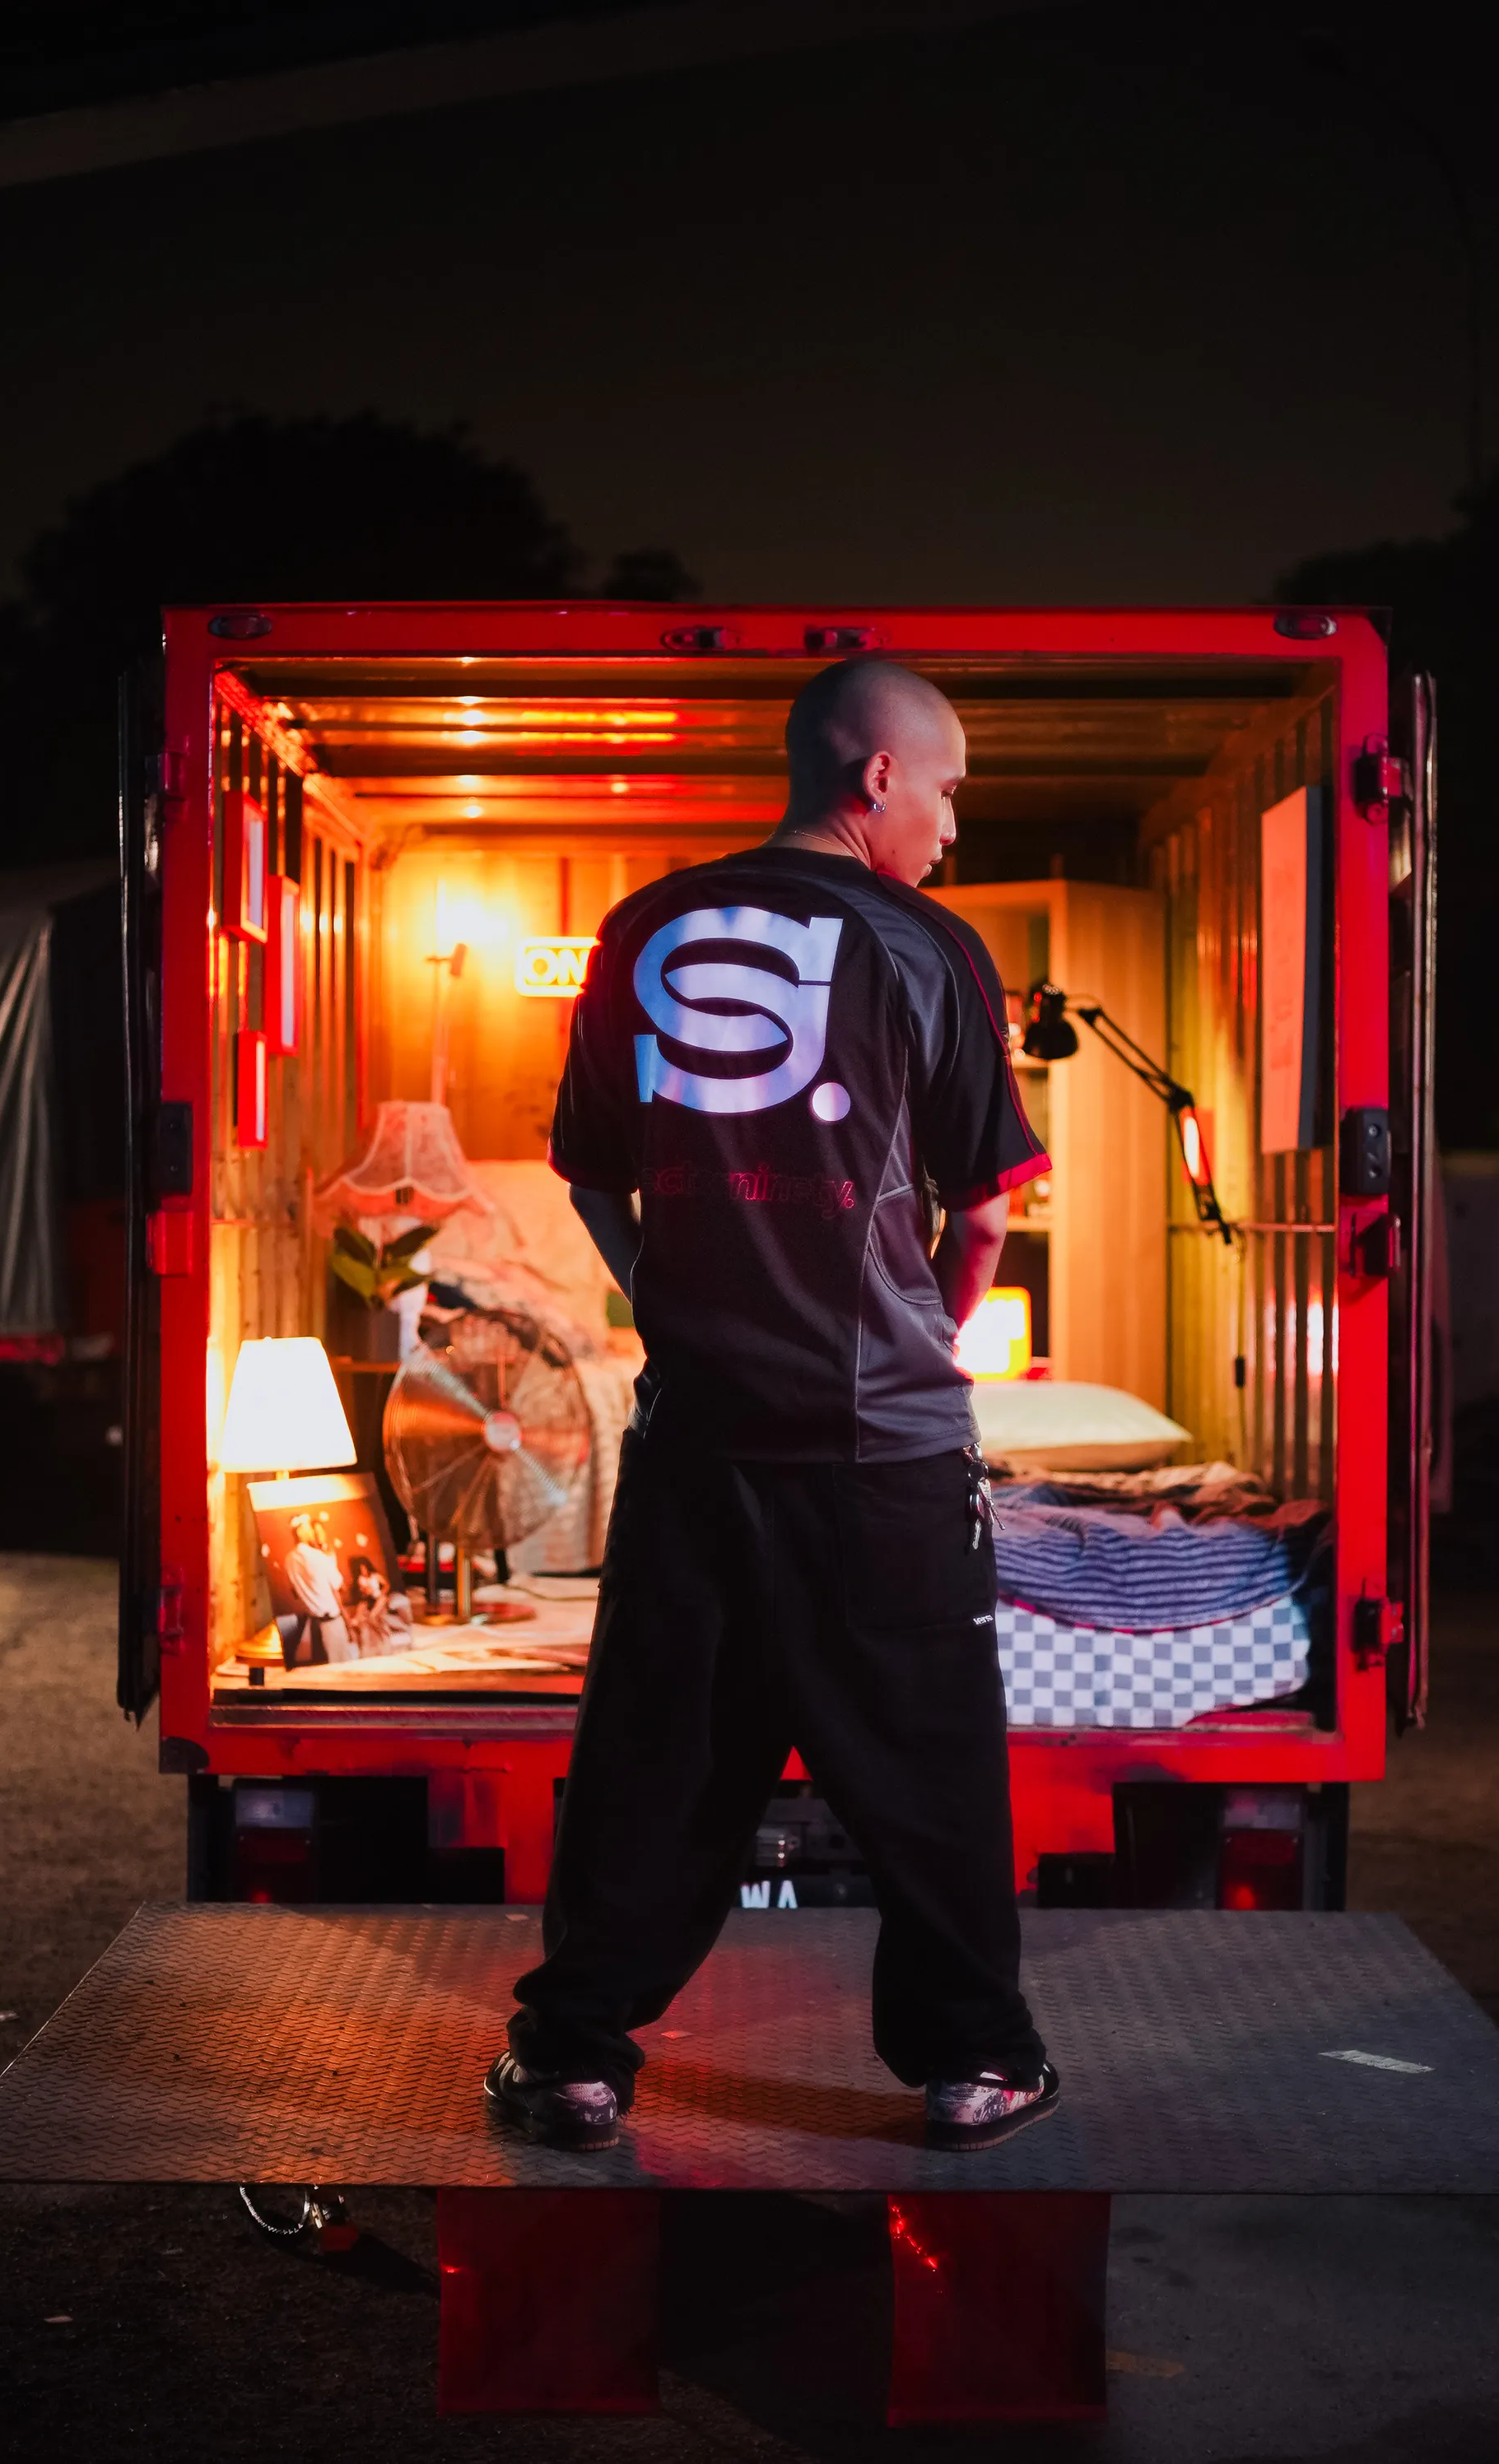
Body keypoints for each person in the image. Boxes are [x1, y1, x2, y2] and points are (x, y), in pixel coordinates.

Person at [485, 657, 1059, 2154]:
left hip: (697, 1436)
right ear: (878, 776)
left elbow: (591, 1177)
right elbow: (989, 1206)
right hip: (880, 1451)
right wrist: (926, 1336)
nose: (951, 826)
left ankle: (573, 2059)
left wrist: (668, 1301)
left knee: (656, 1757)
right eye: (947, 791)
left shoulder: (641, 925)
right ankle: (977, 2063)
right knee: (926, 1762)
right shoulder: (929, 945)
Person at [282, 1513, 356, 1665]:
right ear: (300, 1532)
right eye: (310, 1529)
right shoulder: (317, 1557)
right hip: (332, 1622)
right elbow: (340, 1587)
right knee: (341, 1664)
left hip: (314, 1623)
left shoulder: (288, 1560)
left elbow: (295, 1593)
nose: (313, 1533)